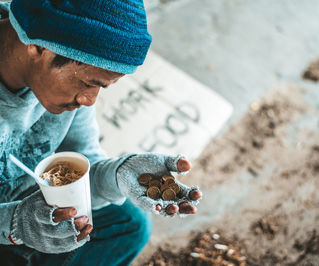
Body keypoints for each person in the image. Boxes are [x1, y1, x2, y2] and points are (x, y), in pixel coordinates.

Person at [0, 0, 202, 265]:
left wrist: (117, 175)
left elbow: (83, 159)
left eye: (102, 88)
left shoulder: (67, 71)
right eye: (88, 83)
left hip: (36, 207)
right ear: (39, 46)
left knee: (127, 225)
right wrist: (14, 225)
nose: (89, 100)